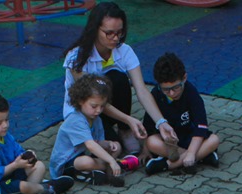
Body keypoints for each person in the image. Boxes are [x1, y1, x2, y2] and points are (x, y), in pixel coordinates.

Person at [62, 2, 178, 155]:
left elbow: (142, 90)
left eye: (120, 32)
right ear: (95, 29)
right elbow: (93, 98)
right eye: (109, 33)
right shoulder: (76, 57)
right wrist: (128, 119)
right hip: (85, 113)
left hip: (104, 108)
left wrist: (161, 122)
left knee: (119, 78)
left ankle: (124, 131)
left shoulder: (125, 51)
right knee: (115, 148)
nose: (115, 38)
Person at [0, 90, 74, 194]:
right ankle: (47, 188)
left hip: (12, 176)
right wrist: (15, 165)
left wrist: (27, 156)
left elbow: (17, 150)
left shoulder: (4, 135)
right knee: (22, 186)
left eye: (7, 120)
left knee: (39, 166)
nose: (5, 125)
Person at [50, 74, 137, 187]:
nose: (98, 110)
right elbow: (91, 145)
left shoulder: (95, 119)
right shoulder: (76, 120)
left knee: (116, 146)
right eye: (94, 106)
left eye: (102, 106)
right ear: (81, 100)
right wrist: (111, 160)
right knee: (87, 162)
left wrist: (108, 144)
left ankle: (97, 171)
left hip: (84, 153)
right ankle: (115, 166)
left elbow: (97, 143)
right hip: (67, 162)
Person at [143, 52, 221, 175]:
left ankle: (168, 165)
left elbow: (201, 127)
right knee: (151, 142)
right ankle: (201, 156)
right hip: (171, 144)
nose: (172, 93)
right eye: (166, 90)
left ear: (184, 78)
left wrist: (191, 152)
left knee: (214, 140)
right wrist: (144, 149)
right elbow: (148, 126)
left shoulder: (191, 93)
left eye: (176, 87)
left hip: (189, 138)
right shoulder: (156, 94)